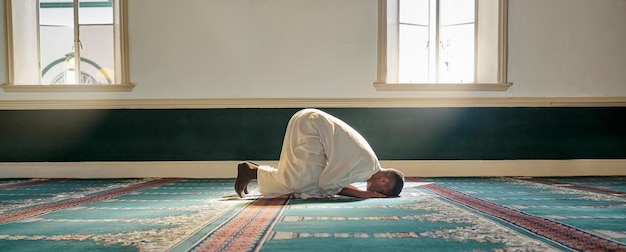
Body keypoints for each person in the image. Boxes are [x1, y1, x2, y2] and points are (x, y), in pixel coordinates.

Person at [234, 109, 404, 199]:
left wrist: (360, 192)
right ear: (384, 180)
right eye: (382, 192)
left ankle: (253, 170)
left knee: (301, 180)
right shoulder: (365, 167)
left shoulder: (368, 164)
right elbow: (327, 184)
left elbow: (333, 182)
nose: (378, 194)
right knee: (308, 188)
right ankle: (250, 171)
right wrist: (361, 194)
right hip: (310, 126)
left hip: (309, 121)